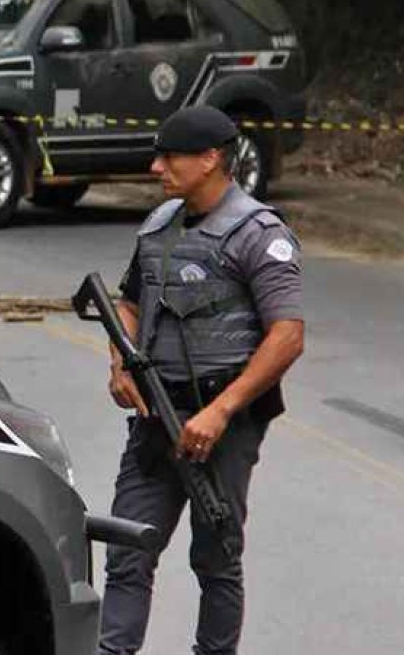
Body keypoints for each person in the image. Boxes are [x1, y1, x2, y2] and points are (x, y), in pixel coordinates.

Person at [98, 105, 305, 655]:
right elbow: (129, 303)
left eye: (170, 156)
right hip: (154, 420)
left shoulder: (259, 234)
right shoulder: (158, 225)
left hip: (224, 424)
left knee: (216, 558)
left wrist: (221, 411)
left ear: (211, 159)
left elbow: (287, 336)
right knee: (127, 551)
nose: (155, 167)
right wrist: (119, 362)